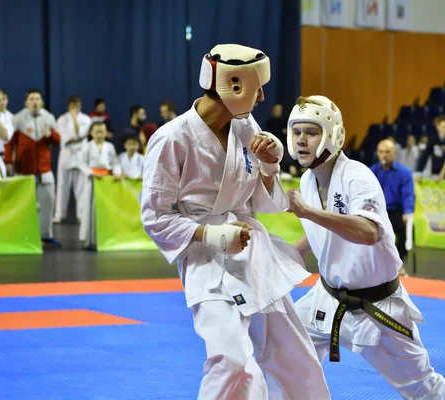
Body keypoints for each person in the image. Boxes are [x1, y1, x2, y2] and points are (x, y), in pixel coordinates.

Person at [140, 44, 330, 400]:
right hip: (204, 259)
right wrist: (210, 234)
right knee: (233, 363)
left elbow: (258, 200)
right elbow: (155, 216)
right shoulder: (171, 139)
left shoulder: (245, 126)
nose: (261, 96)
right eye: (257, 87)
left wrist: (270, 166)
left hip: (251, 252)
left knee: (295, 358)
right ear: (234, 83)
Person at [287, 95, 445, 399]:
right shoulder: (307, 181)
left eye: (311, 132)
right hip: (327, 296)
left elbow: (369, 232)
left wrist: (308, 212)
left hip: (377, 307)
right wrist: (284, 254)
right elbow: (321, 232)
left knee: (423, 387)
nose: (302, 140)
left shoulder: (358, 176)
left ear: (332, 135)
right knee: (287, 355)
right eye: (297, 132)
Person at [4, 89, 61, 246]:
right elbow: (9, 142)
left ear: (41, 101)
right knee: (23, 205)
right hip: (24, 170)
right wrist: (8, 161)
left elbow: (57, 142)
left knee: (48, 203)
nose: (35, 101)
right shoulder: (18, 118)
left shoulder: (49, 117)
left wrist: (51, 135)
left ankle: (46, 235)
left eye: (38, 99)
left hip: (44, 170)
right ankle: (23, 234)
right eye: (32, 99)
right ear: (26, 102)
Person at [371, 138, 415, 276]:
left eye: (388, 152)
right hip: (377, 211)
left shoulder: (404, 172)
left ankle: (398, 263)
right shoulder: (371, 171)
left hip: (396, 210)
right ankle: (374, 266)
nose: (384, 155)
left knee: (408, 230)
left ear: (394, 153)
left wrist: (408, 212)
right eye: (381, 152)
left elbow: (408, 194)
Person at [77, 121, 122, 249]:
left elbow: (115, 162)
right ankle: (88, 240)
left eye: (102, 132)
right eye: (97, 132)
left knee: (104, 209)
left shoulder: (109, 146)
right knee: (89, 209)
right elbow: (80, 163)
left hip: (106, 180)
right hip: (92, 179)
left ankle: (104, 238)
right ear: (91, 133)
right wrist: (90, 172)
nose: (100, 134)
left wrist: (117, 173)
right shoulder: (86, 146)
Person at [54, 95, 92, 223]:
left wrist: (75, 120)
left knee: (81, 187)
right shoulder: (62, 119)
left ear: (80, 105)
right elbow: (69, 137)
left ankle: (81, 215)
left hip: (80, 154)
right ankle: (60, 214)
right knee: (62, 186)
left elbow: (80, 135)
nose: (75, 107)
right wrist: (78, 137)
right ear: (68, 105)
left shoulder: (86, 119)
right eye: (72, 104)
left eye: (77, 104)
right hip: (66, 154)